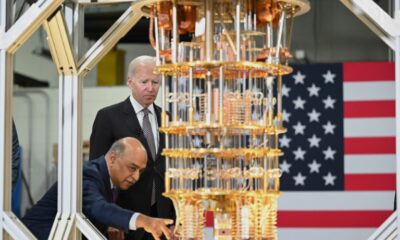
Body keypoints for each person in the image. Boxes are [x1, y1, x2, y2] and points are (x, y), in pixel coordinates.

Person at [89, 56, 174, 239]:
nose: (150, 88)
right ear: (130, 82)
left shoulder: (168, 119)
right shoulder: (108, 117)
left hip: (162, 217)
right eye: (144, 82)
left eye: (155, 82)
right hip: (124, 219)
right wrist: (108, 219)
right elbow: (97, 172)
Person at [22, 137, 173, 240]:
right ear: (113, 158)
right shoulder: (88, 174)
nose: (136, 177)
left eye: (140, 171)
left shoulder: (112, 180)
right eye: (132, 168)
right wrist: (144, 220)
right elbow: (97, 207)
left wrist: (111, 224)